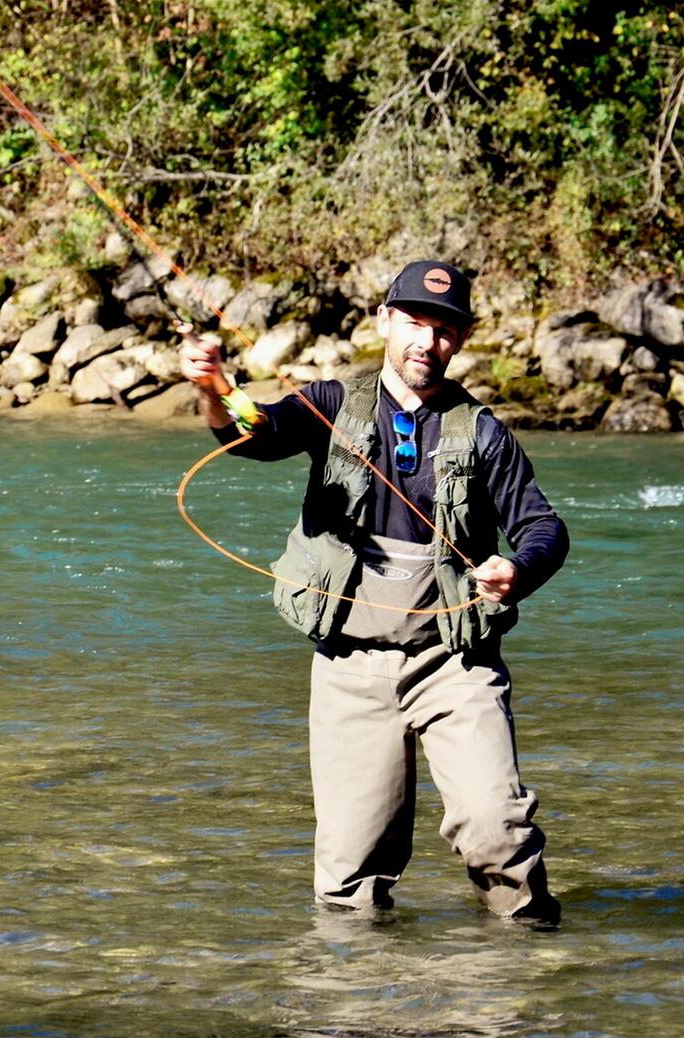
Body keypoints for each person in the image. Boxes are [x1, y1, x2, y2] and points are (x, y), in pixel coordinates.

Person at [179, 260, 569, 924]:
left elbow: (543, 527)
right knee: (348, 880)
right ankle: (362, 1009)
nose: (428, 342)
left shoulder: (482, 432)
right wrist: (215, 388)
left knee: (496, 833)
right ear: (385, 320)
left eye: (445, 330)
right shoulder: (329, 404)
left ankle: (526, 982)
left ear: (461, 340)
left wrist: (518, 570)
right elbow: (255, 432)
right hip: (349, 669)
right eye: (415, 322)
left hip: (455, 664)